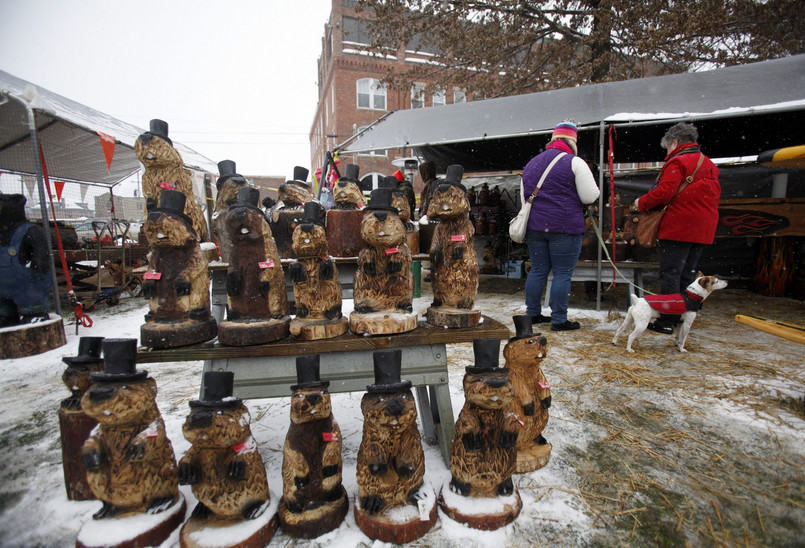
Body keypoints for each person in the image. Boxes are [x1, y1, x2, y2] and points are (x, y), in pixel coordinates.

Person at [633, 122, 721, 334]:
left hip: (678, 226)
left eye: (667, 147)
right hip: (703, 228)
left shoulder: (678, 162)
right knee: (687, 274)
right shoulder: (709, 164)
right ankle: (684, 315)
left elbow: (664, 193)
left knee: (670, 273)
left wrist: (641, 202)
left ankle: (667, 320)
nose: (667, 152)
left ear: (674, 142)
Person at [522, 120, 599, 331]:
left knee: (537, 270)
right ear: (572, 141)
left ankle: (533, 314)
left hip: (536, 227)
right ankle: (558, 319)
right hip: (565, 228)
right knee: (562, 273)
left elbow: (524, 198)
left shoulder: (532, 163)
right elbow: (590, 196)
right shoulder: (575, 162)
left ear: (553, 139)